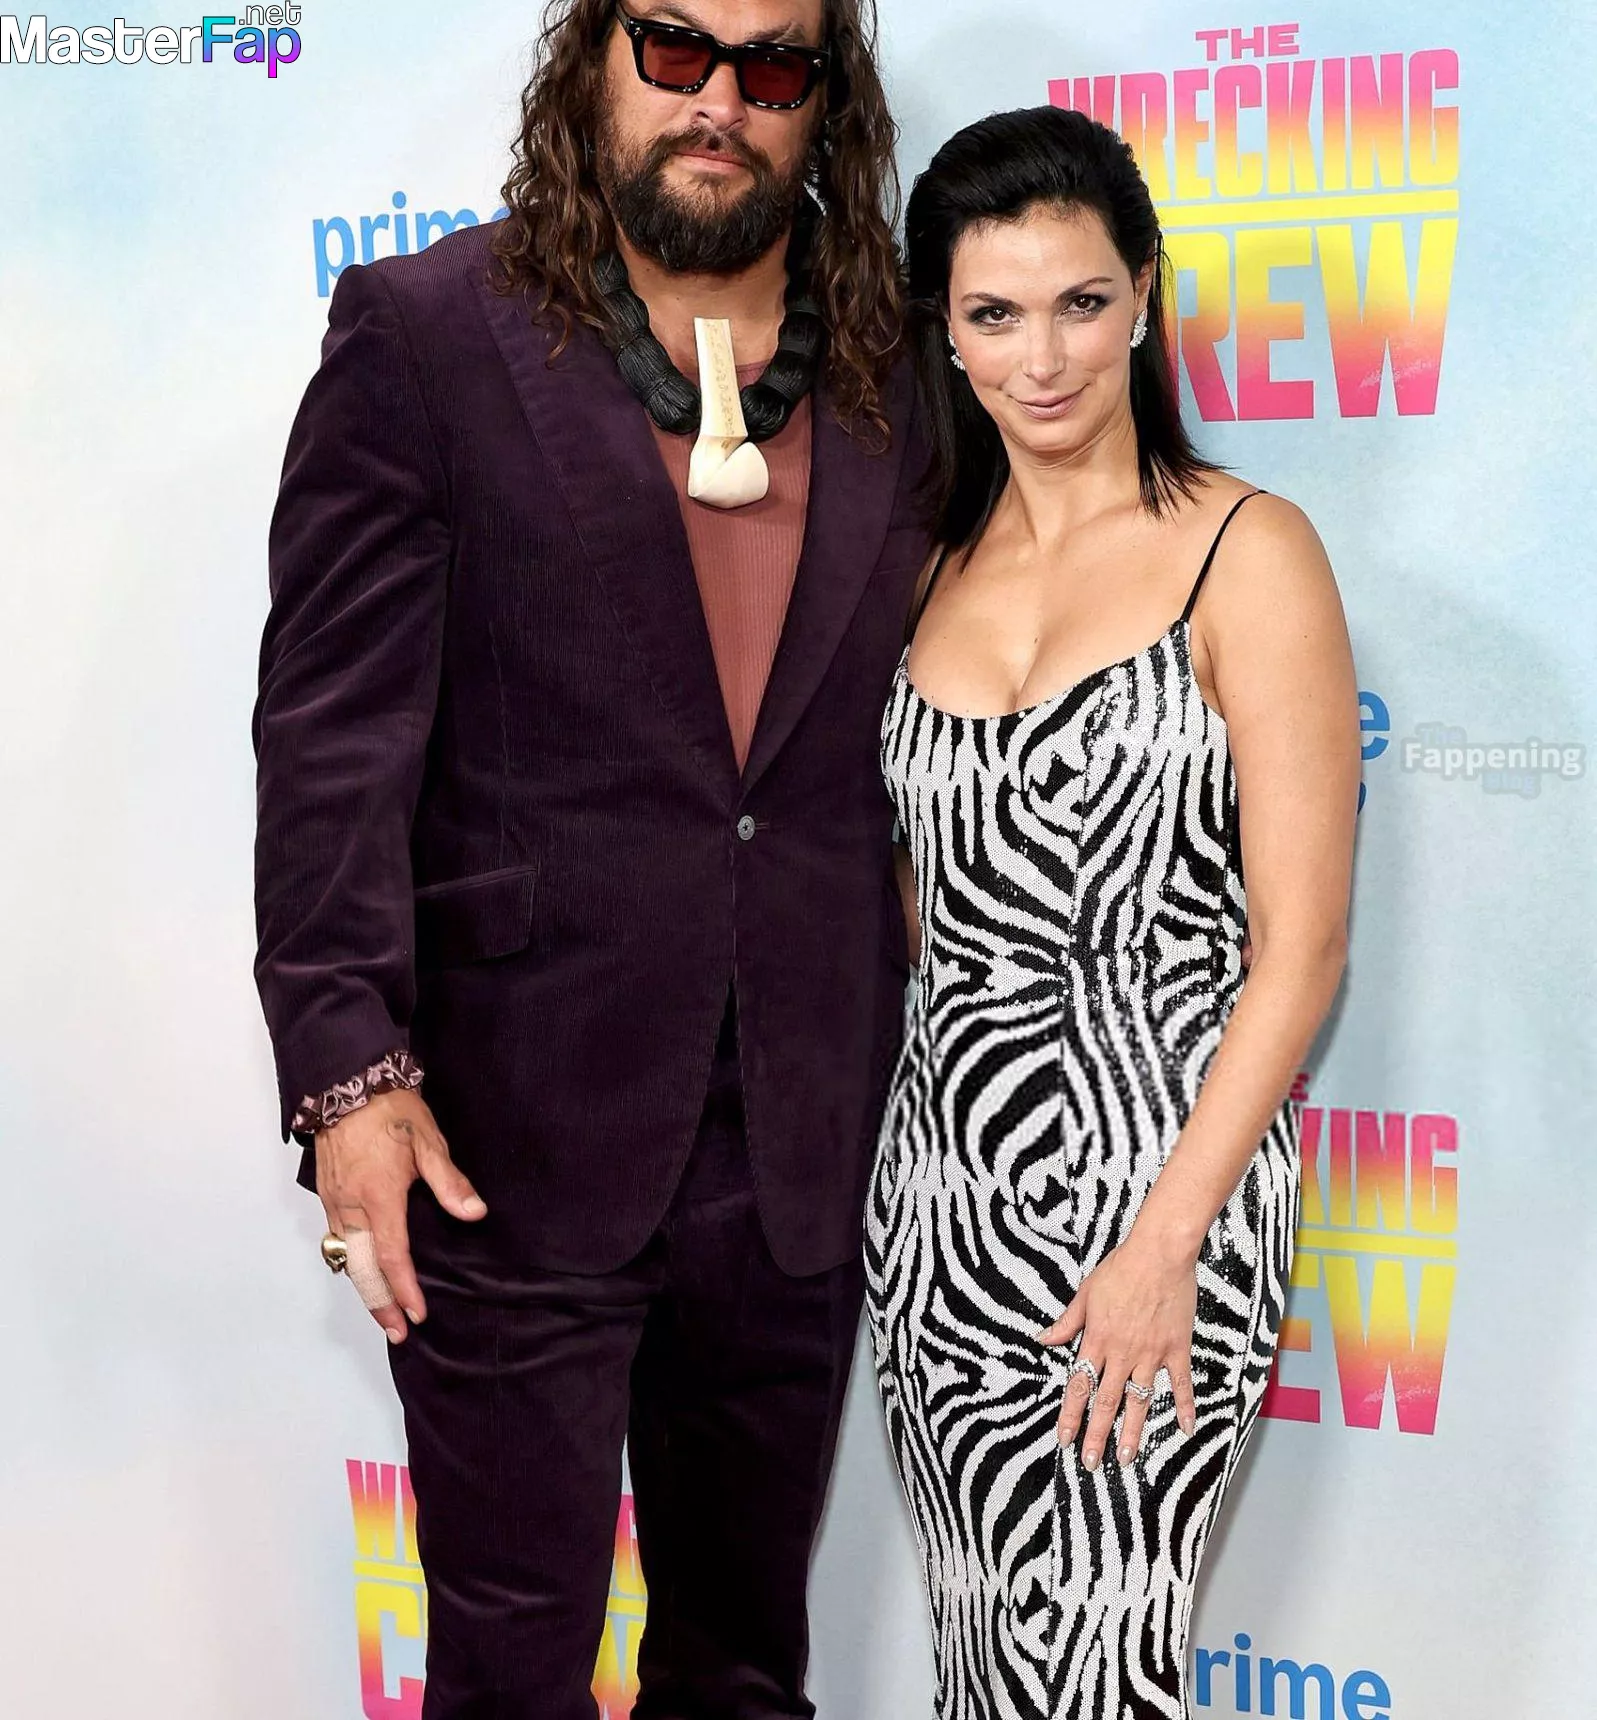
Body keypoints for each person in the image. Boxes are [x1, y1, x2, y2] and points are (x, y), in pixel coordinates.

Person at [253, 4, 927, 1716]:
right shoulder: (426, 334)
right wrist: (347, 1077)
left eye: (776, 67)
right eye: (676, 48)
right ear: (593, 62)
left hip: (800, 1136)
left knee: (743, 1671)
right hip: (509, 1127)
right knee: (512, 1674)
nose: (722, 99)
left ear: (825, 105)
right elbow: (332, 741)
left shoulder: (903, 366)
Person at [864, 106, 1358, 1719]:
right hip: (942, 1212)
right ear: (944, 331)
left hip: (1163, 1194)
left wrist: (1164, 1245)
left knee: (1101, 1663)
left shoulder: (1249, 552)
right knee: (980, 1658)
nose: (1043, 358)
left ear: (1144, 292)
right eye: (995, 313)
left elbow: (1302, 949)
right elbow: (920, 922)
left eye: (1080, 302)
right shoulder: (921, 574)